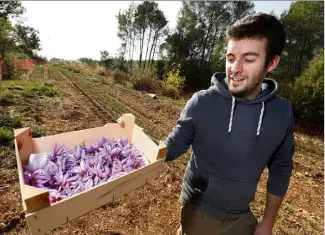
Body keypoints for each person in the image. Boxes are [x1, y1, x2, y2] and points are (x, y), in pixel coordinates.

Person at [116, 13, 295, 235]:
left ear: (272, 63)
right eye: (230, 58)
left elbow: (281, 168)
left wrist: (268, 223)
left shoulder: (281, 112)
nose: (235, 69)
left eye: (248, 60)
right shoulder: (202, 102)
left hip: (242, 218)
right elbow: (173, 145)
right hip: (197, 212)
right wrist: (135, 140)